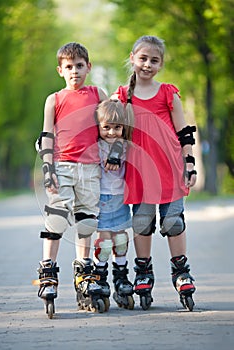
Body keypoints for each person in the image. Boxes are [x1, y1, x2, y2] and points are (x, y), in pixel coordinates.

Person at [112, 35, 197, 311]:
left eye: (154, 60)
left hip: (170, 166)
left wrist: (190, 164)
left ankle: (180, 270)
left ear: (161, 64)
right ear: (133, 57)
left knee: (173, 221)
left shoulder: (167, 93)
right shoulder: (123, 95)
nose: (147, 64)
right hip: (140, 169)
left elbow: (184, 133)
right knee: (143, 221)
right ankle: (143, 271)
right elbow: (107, 127)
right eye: (143, 58)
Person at [34, 42, 108, 315]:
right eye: (69, 67)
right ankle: (48, 272)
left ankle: (84, 273)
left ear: (89, 67)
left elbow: (109, 127)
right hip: (62, 166)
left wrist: (112, 155)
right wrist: (47, 169)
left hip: (90, 168)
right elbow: (47, 136)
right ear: (60, 70)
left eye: (79, 66)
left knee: (86, 219)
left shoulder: (98, 94)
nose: (74, 71)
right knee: (56, 218)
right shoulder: (54, 99)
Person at [92, 99, 134, 310]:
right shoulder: (95, 146)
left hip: (119, 199)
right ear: (98, 126)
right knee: (105, 242)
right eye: (106, 127)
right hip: (101, 198)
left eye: (117, 127)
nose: (111, 132)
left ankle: (121, 276)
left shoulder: (124, 145)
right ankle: (100, 276)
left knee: (121, 240)